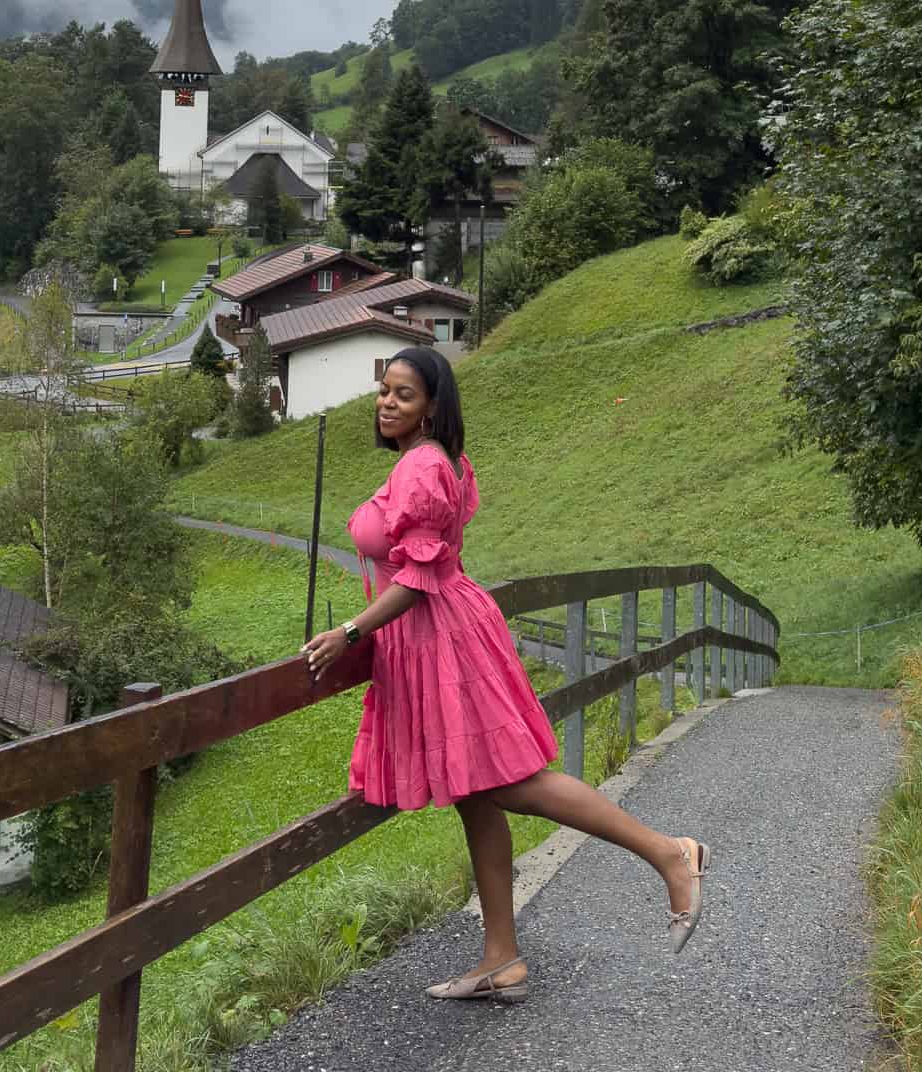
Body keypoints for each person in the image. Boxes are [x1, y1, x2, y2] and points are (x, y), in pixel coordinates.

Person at [302, 346, 708, 1005]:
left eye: (403, 394)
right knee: (476, 794)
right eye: (384, 390)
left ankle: (670, 854)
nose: (387, 402)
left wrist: (351, 631)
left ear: (432, 406)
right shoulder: (424, 462)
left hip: (443, 639)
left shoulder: (427, 465)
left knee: (514, 782)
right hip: (429, 639)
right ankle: (502, 958)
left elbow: (419, 576)